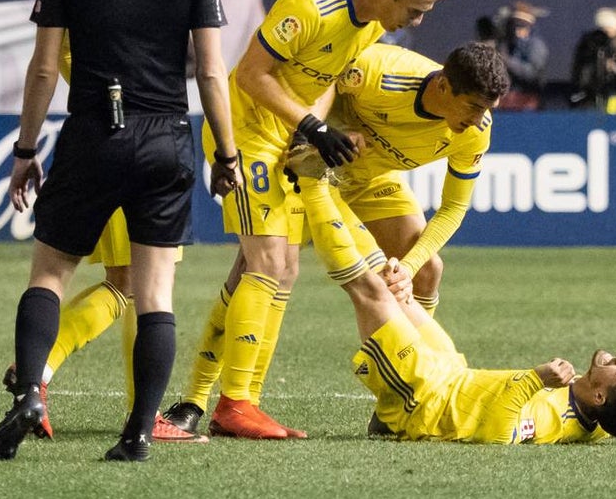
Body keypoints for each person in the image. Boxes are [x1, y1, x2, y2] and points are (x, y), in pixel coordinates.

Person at [0, 0, 241, 463]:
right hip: (166, 139)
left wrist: (24, 150)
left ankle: (30, 395)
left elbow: (43, 71)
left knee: (49, 273)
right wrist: (226, 156)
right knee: (153, 294)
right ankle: (139, 432)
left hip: (92, 133)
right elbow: (210, 72)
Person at [165, 41, 509, 437]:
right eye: (474, 107)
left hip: (369, 179)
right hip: (314, 166)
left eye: (487, 109)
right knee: (257, 271)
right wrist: (322, 133)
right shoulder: (379, 69)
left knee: (425, 269)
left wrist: (408, 266)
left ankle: (404, 391)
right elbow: (316, 79)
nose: (481, 119)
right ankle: (194, 399)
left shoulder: (475, 131)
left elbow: (452, 208)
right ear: (444, 87)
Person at [189, 0, 450, 440]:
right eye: (414, 10)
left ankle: (232, 402)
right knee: (266, 264)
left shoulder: (372, 22)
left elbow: (328, 76)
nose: (417, 22)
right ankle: (231, 403)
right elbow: (249, 75)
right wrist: (312, 125)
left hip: (286, 137)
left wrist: (315, 127)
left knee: (279, 269)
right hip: (244, 133)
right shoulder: (310, 7)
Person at [352, 260, 616, 443]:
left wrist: (534, 379)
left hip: (428, 401)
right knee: (408, 281)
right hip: (453, 373)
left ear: (600, 397)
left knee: (373, 290)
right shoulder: (602, 415)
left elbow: (499, 436)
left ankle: (313, 183)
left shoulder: (550, 419)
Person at [496, 2, 548, 109]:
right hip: (506, 101)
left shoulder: (536, 45)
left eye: (521, 26)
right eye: (514, 25)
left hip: (528, 101)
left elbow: (532, 74)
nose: (516, 31)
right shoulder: (506, 45)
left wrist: (507, 61)